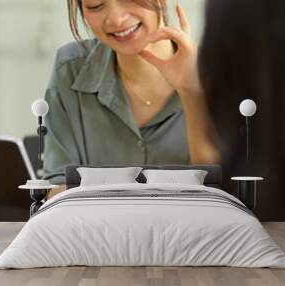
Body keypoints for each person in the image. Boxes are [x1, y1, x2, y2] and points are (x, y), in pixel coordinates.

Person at [43, 0, 221, 197]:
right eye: (95, 6)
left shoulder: (219, 71)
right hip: (100, 228)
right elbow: (55, 188)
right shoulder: (70, 68)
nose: (116, 20)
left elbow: (220, 187)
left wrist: (191, 91)